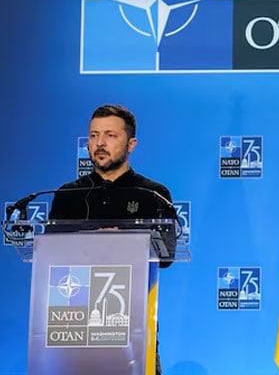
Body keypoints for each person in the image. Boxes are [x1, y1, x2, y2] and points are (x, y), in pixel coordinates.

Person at [49, 104, 175, 375]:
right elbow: (50, 256)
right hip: (75, 324)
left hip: (133, 325)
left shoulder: (152, 194)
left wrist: (126, 243)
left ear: (131, 144)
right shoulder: (68, 195)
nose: (99, 143)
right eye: (93, 136)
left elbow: (167, 256)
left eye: (110, 135)